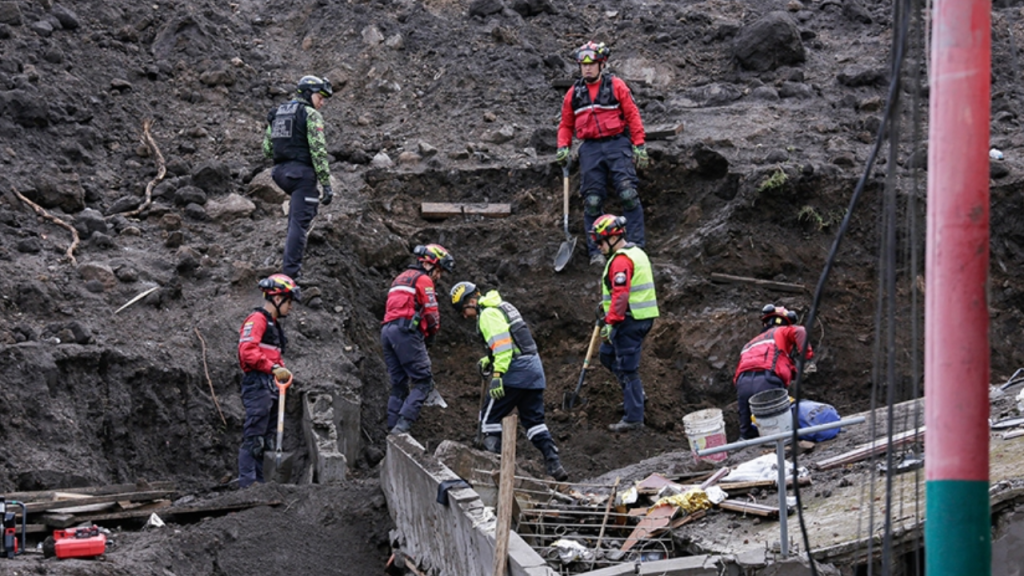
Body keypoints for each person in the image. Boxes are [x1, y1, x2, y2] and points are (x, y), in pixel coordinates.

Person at [450, 281, 569, 481]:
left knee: (488, 420)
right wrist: (489, 360)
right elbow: (514, 342)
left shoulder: (487, 314)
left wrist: (497, 375)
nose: (464, 316)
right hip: (534, 371)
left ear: (471, 301)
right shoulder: (503, 306)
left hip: (515, 373)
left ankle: (493, 467)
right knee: (534, 422)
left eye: (463, 310)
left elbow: (503, 347)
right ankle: (554, 463)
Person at [556, 41, 650, 267]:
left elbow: (632, 114)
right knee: (592, 201)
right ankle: (596, 251)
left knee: (628, 193)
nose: (587, 68)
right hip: (590, 148)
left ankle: (636, 244)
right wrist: (563, 147)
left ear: (601, 65)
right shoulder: (574, 93)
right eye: (583, 65)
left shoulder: (616, 86)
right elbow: (566, 124)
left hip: (617, 143)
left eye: (592, 64)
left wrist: (639, 144)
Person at [263, 75, 335, 283]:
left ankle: (288, 265)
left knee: (296, 218)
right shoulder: (310, 114)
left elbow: (267, 150)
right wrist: (326, 183)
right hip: (301, 175)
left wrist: (270, 126)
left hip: (279, 173)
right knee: (299, 224)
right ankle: (291, 275)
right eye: (320, 96)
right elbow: (318, 150)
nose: (322, 102)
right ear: (306, 93)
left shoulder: (279, 113)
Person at [591, 214, 659, 432]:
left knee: (627, 368)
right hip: (637, 317)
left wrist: (611, 322)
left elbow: (621, 295)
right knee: (607, 355)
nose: (598, 247)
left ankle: (633, 418)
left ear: (612, 238)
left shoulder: (621, 260)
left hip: (630, 320)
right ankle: (635, 396)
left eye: (600, 242)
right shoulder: (636, 253)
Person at [381, 244, 455, 435]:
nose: (439, 276)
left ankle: (391, 428)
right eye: (439, 271)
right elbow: (431, 313)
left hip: (387, 332)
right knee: (423, 381)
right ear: (431, 264)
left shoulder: (399, 278)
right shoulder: (423, 280)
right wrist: (431, 334)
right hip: (405, 332)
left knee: (399, 383)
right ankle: (402, 428)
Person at [236, 274, 298, 488]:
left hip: (271, 384)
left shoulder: (273, 325)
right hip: (258, 382)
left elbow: (273, 355)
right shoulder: (257, 320)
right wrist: (272, 367)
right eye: (288, 301)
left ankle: (261, 483)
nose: (290, 307)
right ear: (277, 298)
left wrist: (280, 369)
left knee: (266, 438)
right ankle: (247, 483)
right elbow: (246, 352)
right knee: (254, 435)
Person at [733, 304, 815, 440]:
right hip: (768, 379)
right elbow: (799, 331)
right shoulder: (782, 331)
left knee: (746, 429)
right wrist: (807, 358)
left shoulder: (749, 343)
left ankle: (744, 441)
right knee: (780, 424)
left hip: (742, 383)